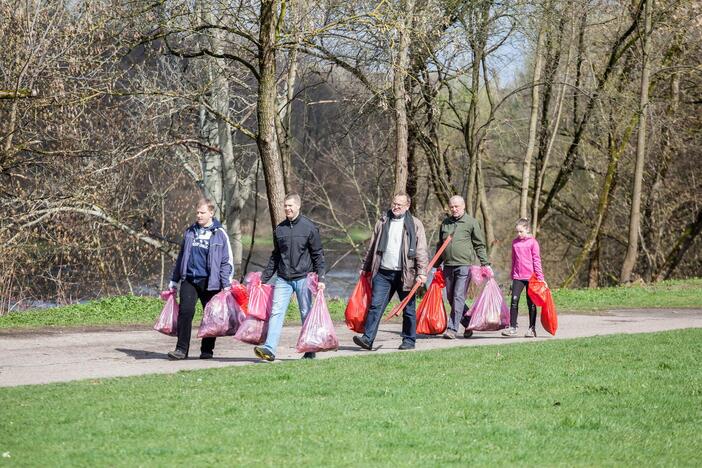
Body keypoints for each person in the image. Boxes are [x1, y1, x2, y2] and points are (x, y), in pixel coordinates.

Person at [253, 193, 326, 362]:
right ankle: (269, 349)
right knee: (276, 313)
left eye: (290, 205)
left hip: (303, 278)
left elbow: (318, 255)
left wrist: (321, 278)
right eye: (285, 205)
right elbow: (275, 256)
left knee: (306, 313)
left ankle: (309, 349)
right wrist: (264, 279)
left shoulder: (309, 228)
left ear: (298, 206)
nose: (287, 208)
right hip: (283, 278)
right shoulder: (280, 229)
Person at [352, 193, 428, 351]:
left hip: (406, 274)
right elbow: (373, 246)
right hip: (383, 273)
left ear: (407, 206)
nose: (396, 206)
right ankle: (367, 339)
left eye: (400, 204)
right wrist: (365, 267)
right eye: (394, 203)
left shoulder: (415, 224)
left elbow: (421, 250)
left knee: (408, 309)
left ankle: (409, 340)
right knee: (375, 306)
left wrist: (422, 272)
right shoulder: (383, 220)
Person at [167, 198, 234, 360]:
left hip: (210, 282)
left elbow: (226, 261)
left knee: (211, 316)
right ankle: (181, 349)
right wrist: (174, 280)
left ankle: (207, 350)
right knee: (185, 312)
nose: (199, 215)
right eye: (197, 212)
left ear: (211, 213)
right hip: (190, 279)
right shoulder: (190, 232)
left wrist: (226, 284)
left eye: (202, 212)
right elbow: (182, 257)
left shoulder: (220, 234)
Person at [436, 195, 491, 339]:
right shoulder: (445, 223)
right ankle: (469, 323)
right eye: (452, 206)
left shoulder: (471, 222)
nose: (454, 209)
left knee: (458, 296)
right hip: (448, 266)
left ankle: (452, 329)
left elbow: (479, 245)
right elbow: (440, 245)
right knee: (450, 297)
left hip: (464, 266)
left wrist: (485, 263)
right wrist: (436, 265)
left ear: (463, 206)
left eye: (456, 206)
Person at [502, 218, 545, 338]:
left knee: (531, 303)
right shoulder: (515, 243)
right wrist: (512, 275)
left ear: (527, 229)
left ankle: (532, 329)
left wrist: (540, 278)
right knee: (514, 300)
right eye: (517, 232)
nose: (518, 234)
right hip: (518, 277)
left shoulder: (533, 243)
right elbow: (514, 260)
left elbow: (537, 261)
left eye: (521, 231)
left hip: (531, 278)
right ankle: (512, 327)